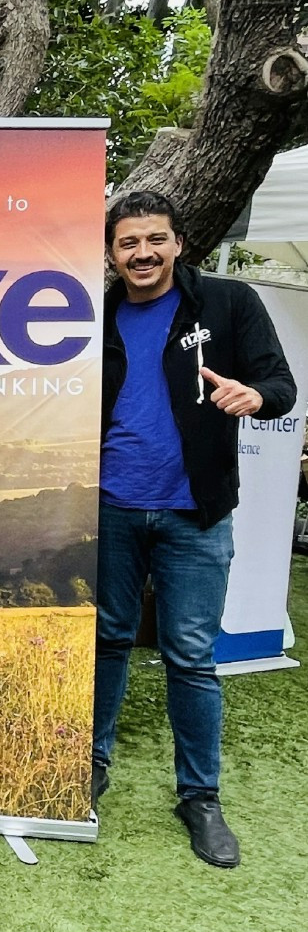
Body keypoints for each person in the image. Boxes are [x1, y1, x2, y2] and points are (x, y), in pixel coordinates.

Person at [93, 190, 295, 869]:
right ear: (112, 252)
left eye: (155, 239)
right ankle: (89, 766)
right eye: (128, 242)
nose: (142, 253)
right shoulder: (96, 313)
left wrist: (255, 395)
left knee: (190, 656)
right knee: (107, 639)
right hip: (110, 507)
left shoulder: (228, 304)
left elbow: (282, 384)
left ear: (180, 243)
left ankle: (200, 797)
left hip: (196, 513)